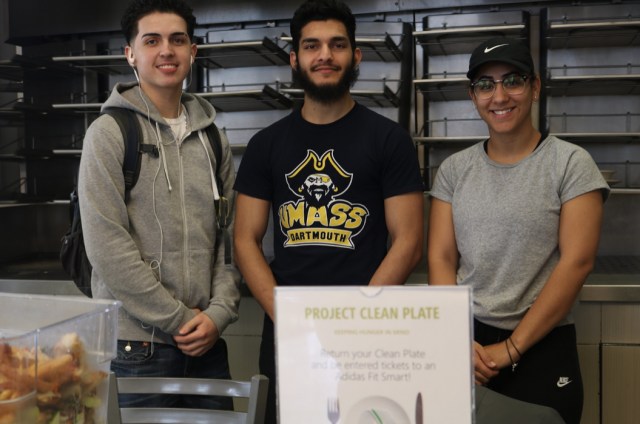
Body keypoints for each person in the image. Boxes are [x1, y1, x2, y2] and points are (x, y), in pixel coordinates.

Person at [233, 1, 424, 422]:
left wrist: (361, 319)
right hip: (289, 333)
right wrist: (288, 317)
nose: (325, 55)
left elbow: (408, 241)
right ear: (295, 59)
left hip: (370, 331)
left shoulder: (389, 140)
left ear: (355, 56)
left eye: (337, 45)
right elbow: (244, 240)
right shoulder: (266, 145)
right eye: (312, 46)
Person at [427, 37, 609, 424]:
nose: (499, 96)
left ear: (535, 87)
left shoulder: (571, 164)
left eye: (513, 80)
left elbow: (577, 262)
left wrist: (510, 348)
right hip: (467, 342)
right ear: (472, 95)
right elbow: (441, 257)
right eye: (485, 85)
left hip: (542, 342)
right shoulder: (454, 171)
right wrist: (456, 339)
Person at [79, 0, 240, 409]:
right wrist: (182, 320)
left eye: (177, 39)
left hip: (207, 346)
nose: (166, 50)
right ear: (131, 53)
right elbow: (106, 248)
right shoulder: (109, 132)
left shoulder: (213, 139)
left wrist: (218, 313)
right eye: (152, 40)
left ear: (193, 51)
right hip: (137, 351)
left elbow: (229, 240)